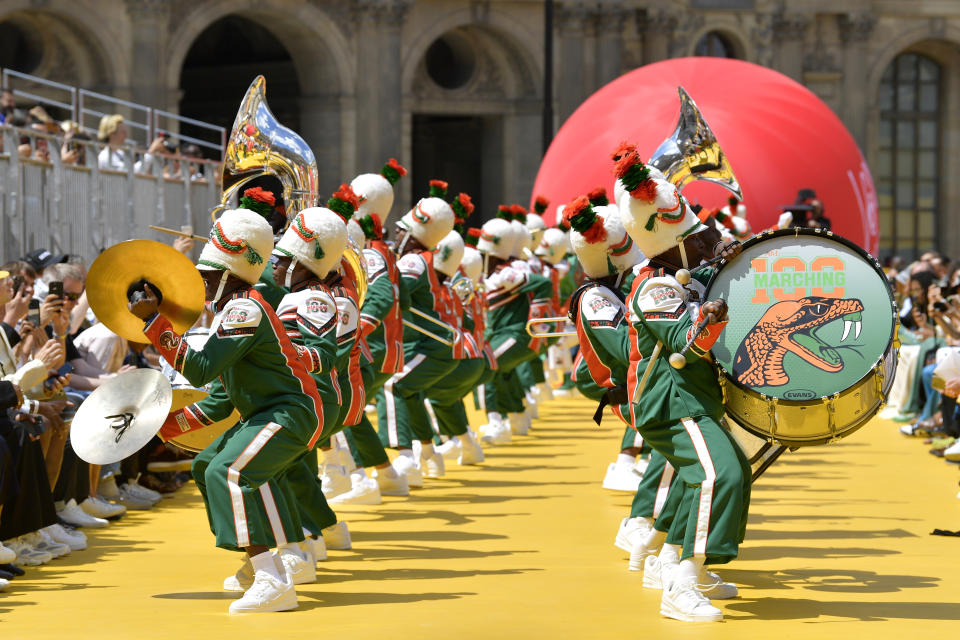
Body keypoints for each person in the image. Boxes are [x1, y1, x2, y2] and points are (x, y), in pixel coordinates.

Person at [129, 208, 325, 614]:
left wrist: (155, 325)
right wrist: (165, 427)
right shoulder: (235, 307)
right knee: (207, 465)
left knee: (230, 471)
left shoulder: (244, 310)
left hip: (288, 414)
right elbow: (221, 398)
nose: (200, 282)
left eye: (207, 273)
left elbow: (199, 370)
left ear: (230, 273)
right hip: (272, 414)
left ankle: (272, 576)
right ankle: (277, 561)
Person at [615, 143, 750, 623]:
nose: (705, 242)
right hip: (671, 402)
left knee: (713, 474)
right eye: (696, 238)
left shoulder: (682, 276)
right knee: (719, 476)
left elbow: (704, 285)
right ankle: (682, 584)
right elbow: (685, 342)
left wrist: (725, 258)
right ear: (672, 247)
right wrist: (709, 317)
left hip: (690, 398)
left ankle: (669, 560)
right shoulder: (655, 287)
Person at [97, 114, 165, 174]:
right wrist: (151, 152)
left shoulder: (121, 154)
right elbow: (131, 173)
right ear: (111, 134)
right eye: (122, 132)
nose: (126, 136)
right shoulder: (105, 157)